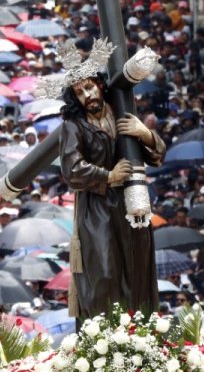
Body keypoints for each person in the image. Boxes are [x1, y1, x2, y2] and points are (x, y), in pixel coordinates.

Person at [56, 38, 166, 318]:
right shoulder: (73, 127)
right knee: (105, 272)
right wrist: (108, 175)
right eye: (80, 92)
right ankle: (105, 338)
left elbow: (156, 156)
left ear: (101, 85)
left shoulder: (122, 111)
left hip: (131, 203)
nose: (87, 95)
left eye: (90, 87)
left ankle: (140, 331)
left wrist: (145, 134)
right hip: (97, 209)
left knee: (137, 269)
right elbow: (71, 169)